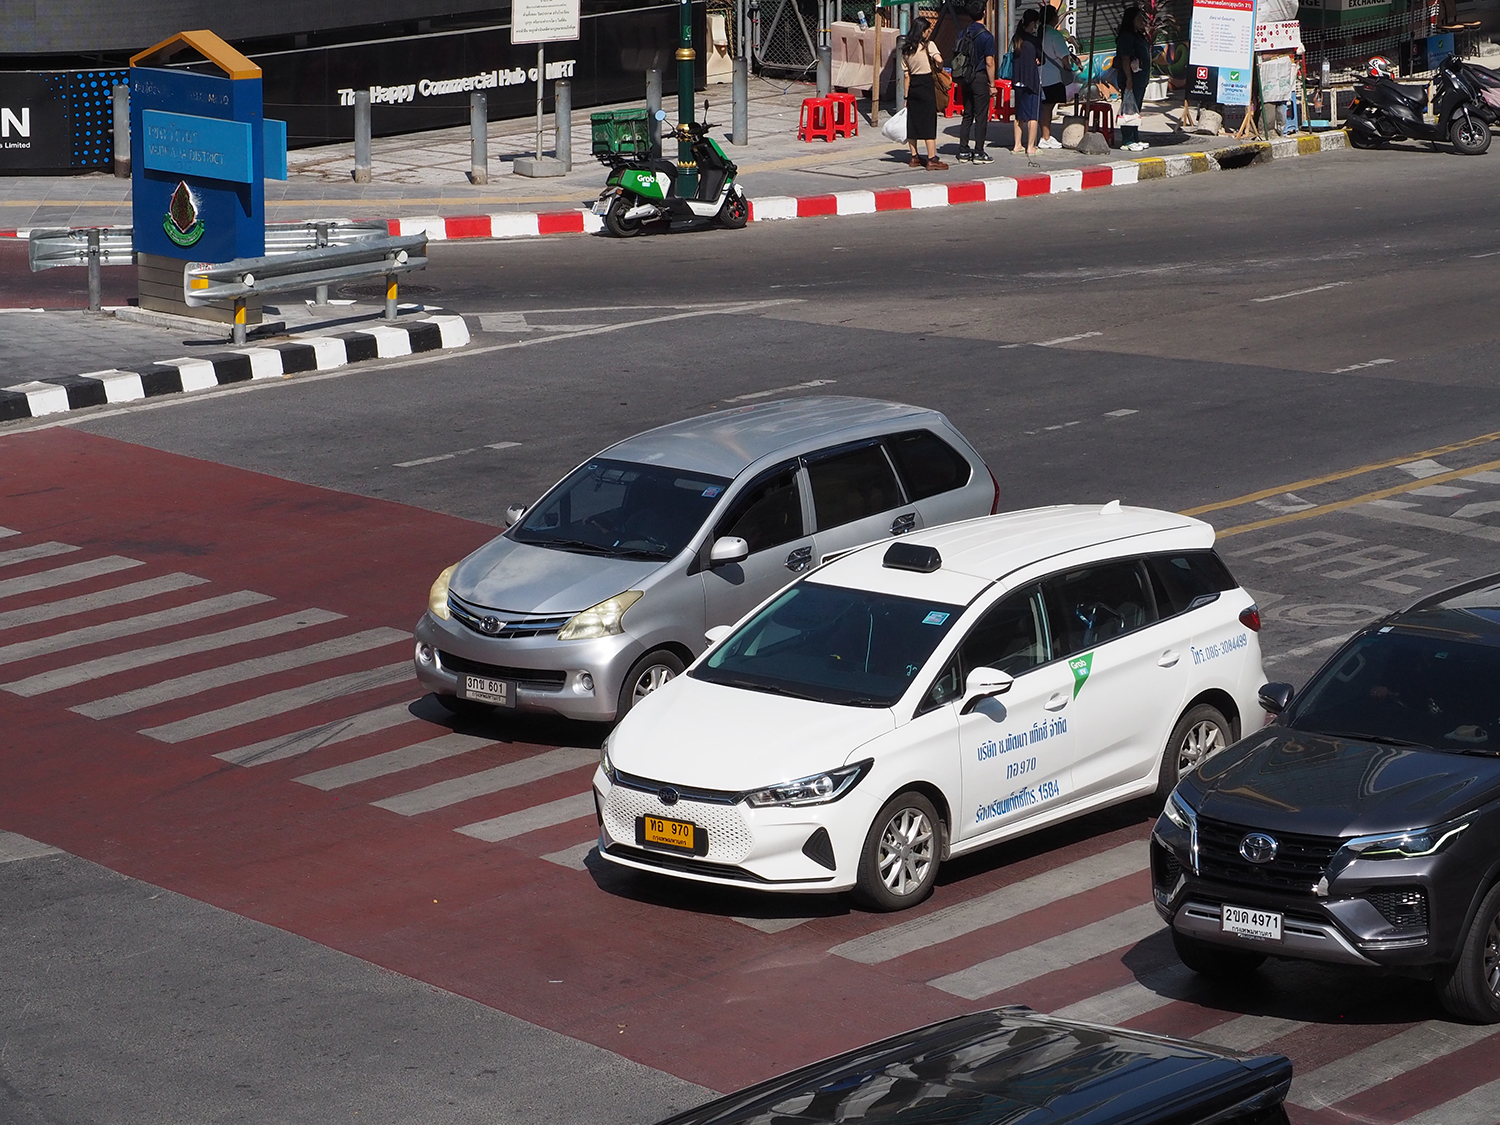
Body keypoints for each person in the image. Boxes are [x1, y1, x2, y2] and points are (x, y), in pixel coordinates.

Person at [901, 18, 949, 170]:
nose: (928, 33)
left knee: (913, 122)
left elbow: (906, 76)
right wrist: (939, 65)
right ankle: (932, 158)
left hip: (913, 86)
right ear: (922, 31)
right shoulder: (929, 45)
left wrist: (906, 97)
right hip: (926, 85)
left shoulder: (906, 49)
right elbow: (939, 60)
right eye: (927, 31)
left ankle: (914, 157)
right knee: (929, 121)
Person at [954, 1, 998, 164]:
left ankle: (963, 150)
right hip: (979, 77)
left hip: (965, 76)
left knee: (967, 114)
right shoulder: (986, 36)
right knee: (981, 116)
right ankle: (979, 151)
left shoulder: (963, 32)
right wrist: (992, 84)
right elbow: (989, 62)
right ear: (983, 13)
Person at [1114, 5, 1152, 151]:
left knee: (1136, 108)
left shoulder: (1139, 35)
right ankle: (1127, 139)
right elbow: (1125, 58)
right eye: (1139, 18)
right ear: (1131, 20)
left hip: (1141, 79)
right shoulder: (1127, 36)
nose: (1142, 21)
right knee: (1129, 108)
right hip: (1131, 79)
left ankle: (1135, 137)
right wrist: (1129, 79)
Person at [1010, 9, 1044, 155]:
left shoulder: (1016, 38)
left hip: (1018, 80)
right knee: (1032, 116)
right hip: (1031, 80)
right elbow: (1042, 59)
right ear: (1033, 23)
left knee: (1019, 115)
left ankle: (1017, 145)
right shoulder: (1034, 41)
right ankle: (1030, 147)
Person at [1037, 5, 1071, 149]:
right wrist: (1069, 68)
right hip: (1053, 77)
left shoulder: (1037, 33)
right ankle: (1045, 137)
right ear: (1054, 18)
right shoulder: (1054, 35)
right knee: (1048, 107)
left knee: (1044, 107)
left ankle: (1044, 135)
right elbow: (1063, 55)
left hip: (1038, 75)